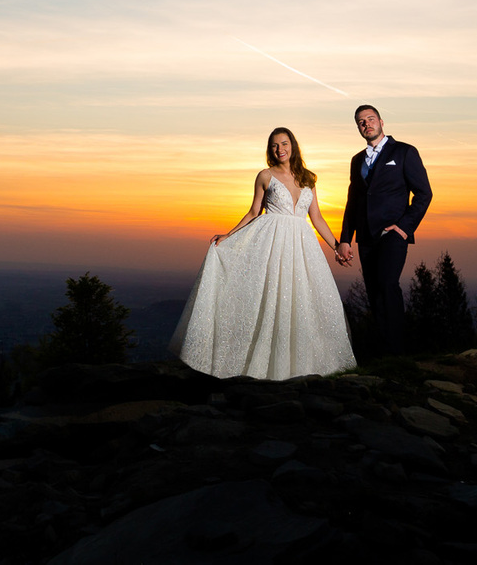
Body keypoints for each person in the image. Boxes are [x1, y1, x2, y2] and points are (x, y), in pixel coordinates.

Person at [169, 127, 356, 379]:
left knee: (302, 300)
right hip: (273, 244)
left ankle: (302, 366)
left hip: (303, 247)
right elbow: (254, 212)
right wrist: (228, 235)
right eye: (275, 145)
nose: (280, 149)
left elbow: (317, 218)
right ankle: (265, 368)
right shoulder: (265, 176)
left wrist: (337, 246)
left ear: (293, 146)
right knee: (272, 299)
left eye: (284, 143)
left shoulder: (309, 178)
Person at [335, 104, 432, 355]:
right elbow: (353, 202)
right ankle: (384, 354)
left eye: (370, 119)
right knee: (374, 292)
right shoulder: (357, 160)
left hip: (393, 234)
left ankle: (398, 352)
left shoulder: (404, 152)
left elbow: (424, 193)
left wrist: (404, 227)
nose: (366, 124)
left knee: (388, 285)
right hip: (366, 237)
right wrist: (345, 239)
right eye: (361, 122)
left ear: (381, 122)